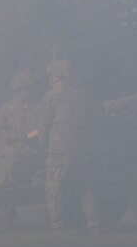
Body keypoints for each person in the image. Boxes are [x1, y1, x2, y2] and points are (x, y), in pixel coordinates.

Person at [30, 59, 102, 232]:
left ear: (57, 76)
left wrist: (40, 147)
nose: (49, 79)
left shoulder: (51, 96)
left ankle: (57, 226)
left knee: (53, 189)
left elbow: (44, 125)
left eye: (51, 75)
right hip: (82, 150)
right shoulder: (81, 95)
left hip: (59, 150)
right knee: (85, 188)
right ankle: (94, 224)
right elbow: (96, 118)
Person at [0, 71, 43, 229]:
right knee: (7, 187)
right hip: (12, 154)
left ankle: (49, 219)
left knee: (44, 186)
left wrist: (31, 136)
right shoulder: (6, 109)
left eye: (29, 90)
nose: (27, 93)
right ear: (16, 90)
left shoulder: (37, 108)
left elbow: (41, 129)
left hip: (33, 154)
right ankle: (8, 220)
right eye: (24, 89)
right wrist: (17, 137)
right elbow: (0, 131)